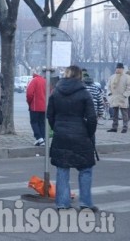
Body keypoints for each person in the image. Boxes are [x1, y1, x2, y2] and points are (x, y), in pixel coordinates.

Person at [47, 65, 98, 212]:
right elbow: (92, 118)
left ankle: (62, 204)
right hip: (81, 134)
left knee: (62, 169)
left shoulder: (55, 92)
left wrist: (57, 128)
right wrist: (89, 133)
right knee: (85, 169)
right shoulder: (84, 93)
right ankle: (86, 203)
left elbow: (50, 115)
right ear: (79, 76)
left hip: (61, 135)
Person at [107, 63, 130, 133]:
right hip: (114, 97)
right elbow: (108, 86)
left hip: (122, 97)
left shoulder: (127, 77)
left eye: (120, 68)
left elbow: (129, 87)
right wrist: (110, 93)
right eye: (117, 68)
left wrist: (125, 95)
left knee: (124, 114)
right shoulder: (112, 77)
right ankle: (114, 127)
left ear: (122, 69)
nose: (118, 69)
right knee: (114, 114)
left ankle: (125, 127)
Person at [26, 71, 47, 146]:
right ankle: (43, 138)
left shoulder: (33, 80)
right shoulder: (45, 81)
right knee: (42, 122)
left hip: (35, 106)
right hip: (44, 106)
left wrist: (29, 102)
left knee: (34, 122)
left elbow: (29, 93)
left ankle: (39, 138)